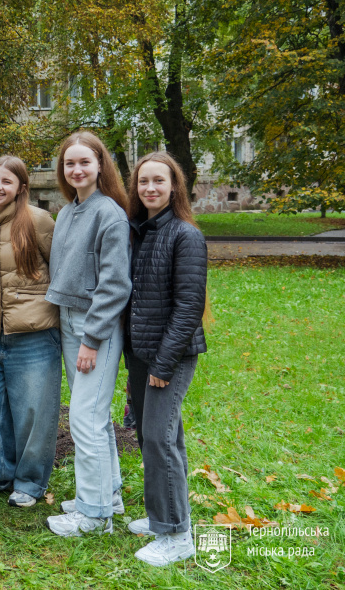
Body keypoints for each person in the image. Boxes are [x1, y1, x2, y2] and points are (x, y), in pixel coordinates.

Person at [44, 131, 132, 537]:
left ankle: (94, 516)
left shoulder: (108, 213)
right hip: (66, 320)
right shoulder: (67, 212)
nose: (76, 169)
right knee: (95, 414)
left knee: (84, 417)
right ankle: (108, 493)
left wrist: (92, 339)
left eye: (84, 162)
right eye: (69, 163)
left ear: (100, 165)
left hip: (94, 325)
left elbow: (115, 285)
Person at [123, 152, 207, 566]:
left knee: (159, 438)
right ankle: (165, 515)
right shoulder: (141, 230)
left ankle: (176, 533)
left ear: (174, 186)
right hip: (141, 352)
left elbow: (189, 306)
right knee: (156, 435)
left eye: (159, 181)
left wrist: (162, 364)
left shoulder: (184, 235)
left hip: (169, 355)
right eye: (143, 182)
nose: (150, 188)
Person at [0, 156, 62, 508]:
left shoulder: (39, 221)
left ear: (21, 188)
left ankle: (29, 482)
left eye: (7, 182)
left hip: (33, 335)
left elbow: (62, 271)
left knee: (33, 414)